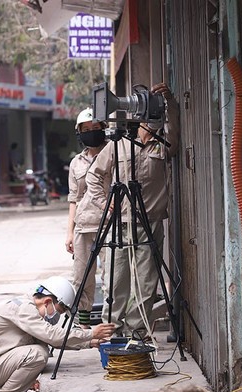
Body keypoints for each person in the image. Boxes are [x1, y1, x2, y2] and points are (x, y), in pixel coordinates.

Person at [84, 82, 180, 339]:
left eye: (155, 118)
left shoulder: (162, 145)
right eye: (148, 118)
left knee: (146, 283)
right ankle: (109, 332)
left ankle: (137, 332)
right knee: (117, 281)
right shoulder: (120, 145)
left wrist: (170, 104)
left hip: (150, 222)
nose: (152, 122)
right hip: (120, 223)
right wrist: (105, 203)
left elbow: (175, 138)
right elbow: (93, 175)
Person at [0, 276, 115, 392]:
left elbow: (48, 339)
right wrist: (91, 333)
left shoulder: (24, 305)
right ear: (48, 301)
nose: (57, 316)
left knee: (39, 347)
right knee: (38, 354)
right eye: (60, 311)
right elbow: (53, 337)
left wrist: (89, 342)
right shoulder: (23, 309)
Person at [65, 108, 109, 328]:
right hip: (83, 226)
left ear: (103, 129)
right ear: (79, 133)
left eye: (95, 128)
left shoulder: (113, 154)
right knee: (81, 277)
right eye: (86, 130)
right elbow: (74, 198)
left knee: (112, 276)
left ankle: (111, 323)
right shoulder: (76, 163)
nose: (91, 132)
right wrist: (69, 232)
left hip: (109, 224)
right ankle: (83, 325)